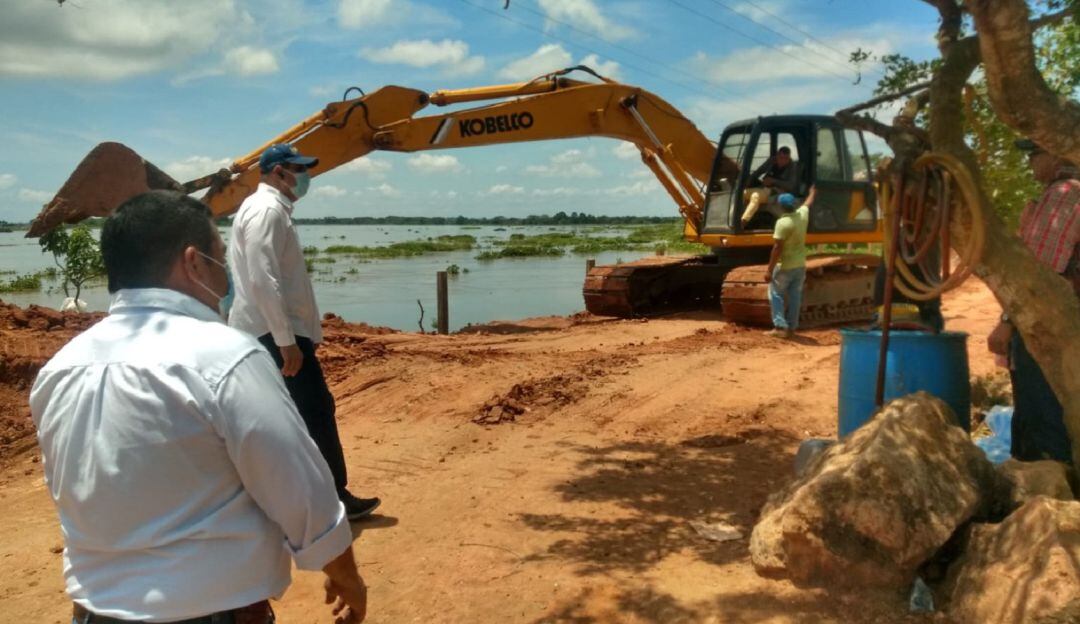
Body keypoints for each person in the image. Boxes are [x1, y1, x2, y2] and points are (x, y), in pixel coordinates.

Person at [30, 191, 367, 623]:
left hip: (92, 612)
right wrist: (345, 574)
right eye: (220, 256)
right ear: (193, 262)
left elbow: (70, 488)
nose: (225, 273)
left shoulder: (61, 367)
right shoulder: (225, 356)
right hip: (210, 611)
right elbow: (298, 484)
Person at [228, 144, 380, 520]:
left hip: (266, 331)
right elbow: (264, 281)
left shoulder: (264, 209)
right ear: (279, 172)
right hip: (274, 335)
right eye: (300, 169)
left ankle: (280, 497)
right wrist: (286, 341)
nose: (305, 176)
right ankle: (334, 498)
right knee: (315, 412)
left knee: (285, 416)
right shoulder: (266, 211)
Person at [987, 138, 1078, 463]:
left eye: (1035, 153)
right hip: (1068, 323)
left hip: (1046, 323)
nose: (1030, 162)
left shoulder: (1063, 196)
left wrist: (1007, 324)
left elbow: (1037, 277)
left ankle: (1048, 490)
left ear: (1056, 153)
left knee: (1041, 409)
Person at [764, 187, 815, 338]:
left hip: (785, 266)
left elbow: (777, 247)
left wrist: (769, 269)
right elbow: (808, 203)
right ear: (794, 205)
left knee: (776, 294)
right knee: (795, 296)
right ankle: (792, 327)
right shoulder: (802, 215)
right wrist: (813, 191)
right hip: (800, 265)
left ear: (780, 207)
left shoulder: (782, 223)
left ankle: (780, 327)